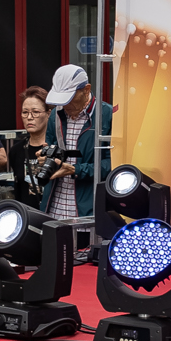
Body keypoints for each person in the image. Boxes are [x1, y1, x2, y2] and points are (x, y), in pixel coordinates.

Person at [42, 64, 111, 223]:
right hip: (55, 206)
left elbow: (114, 163)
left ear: (86, 90)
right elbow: (52, 147)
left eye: (69, 99)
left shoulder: (106, 116)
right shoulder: (56, 115)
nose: (65, 105)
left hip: (87, 208)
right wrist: (46, 157)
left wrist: (77, 169)